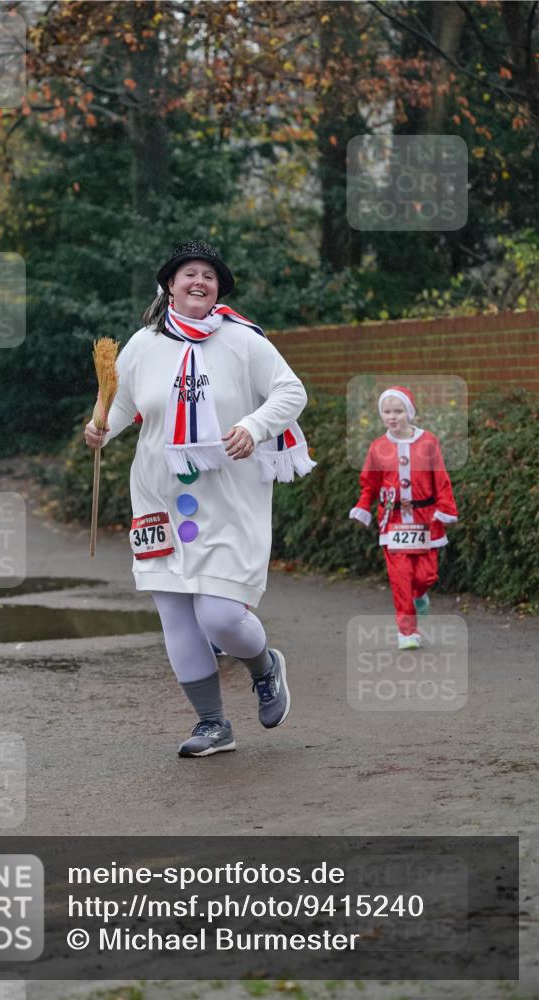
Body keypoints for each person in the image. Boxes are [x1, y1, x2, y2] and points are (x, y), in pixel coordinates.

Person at [85, 241, 315, 757]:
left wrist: (255, 428)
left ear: (217, 290)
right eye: (189, 274)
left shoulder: (243, 340)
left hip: (230, 498)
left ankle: (263, 665)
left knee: (219, 616)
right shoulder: (144, 343)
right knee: (175, 614)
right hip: (157, 498)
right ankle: (212, 724)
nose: (199, 282)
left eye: (208, 277)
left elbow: (290, 391)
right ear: (169, 284)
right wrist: (100, 428)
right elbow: (119, 402)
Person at [349, 386, 458, 649]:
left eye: (398, 411)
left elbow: (441, 478)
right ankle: (407, 632)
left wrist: (446, 508)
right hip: (394, 521)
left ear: (408, 412)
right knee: (400, 578)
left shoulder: (428, 442)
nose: (392, 417)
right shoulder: (378, 447)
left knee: (425, 576)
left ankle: (420, 596)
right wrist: (363, 505)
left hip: (425, 520)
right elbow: (370, 484)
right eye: (387, 411)